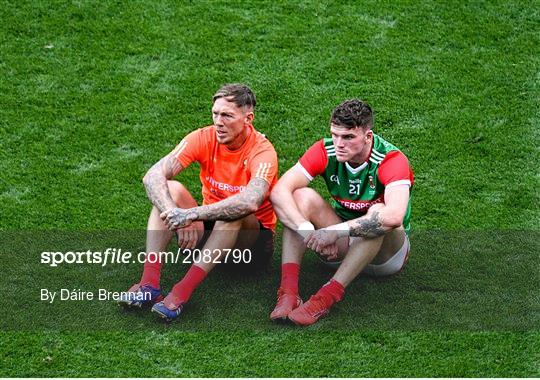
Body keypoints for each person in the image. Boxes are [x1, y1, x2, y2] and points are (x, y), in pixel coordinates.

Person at [118, 84, 278, 322]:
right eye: (215, 114)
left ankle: (181, 292)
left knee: (232, 212)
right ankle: (149, 285)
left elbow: (250, 201)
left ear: (248, 118)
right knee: (169, 189)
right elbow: (152, 176)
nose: (218, 122)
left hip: (250, 248)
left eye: (227, 115)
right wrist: (174, 213)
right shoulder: (203, 137)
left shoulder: (262, 151)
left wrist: (191, 215)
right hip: (209, 229)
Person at [269, 99, 414, 326]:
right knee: (300, 197)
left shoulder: (391, 159)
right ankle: (288, 292)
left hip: (385, 257)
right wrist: (309, 232)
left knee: (379, 213)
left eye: (348, 137)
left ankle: (325, 299)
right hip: (342, 248)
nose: (338, 143)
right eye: (335, 135)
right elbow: (279, 192)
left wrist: (334, 231)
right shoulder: (325, 149)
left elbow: (394, 217)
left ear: (368, 137)